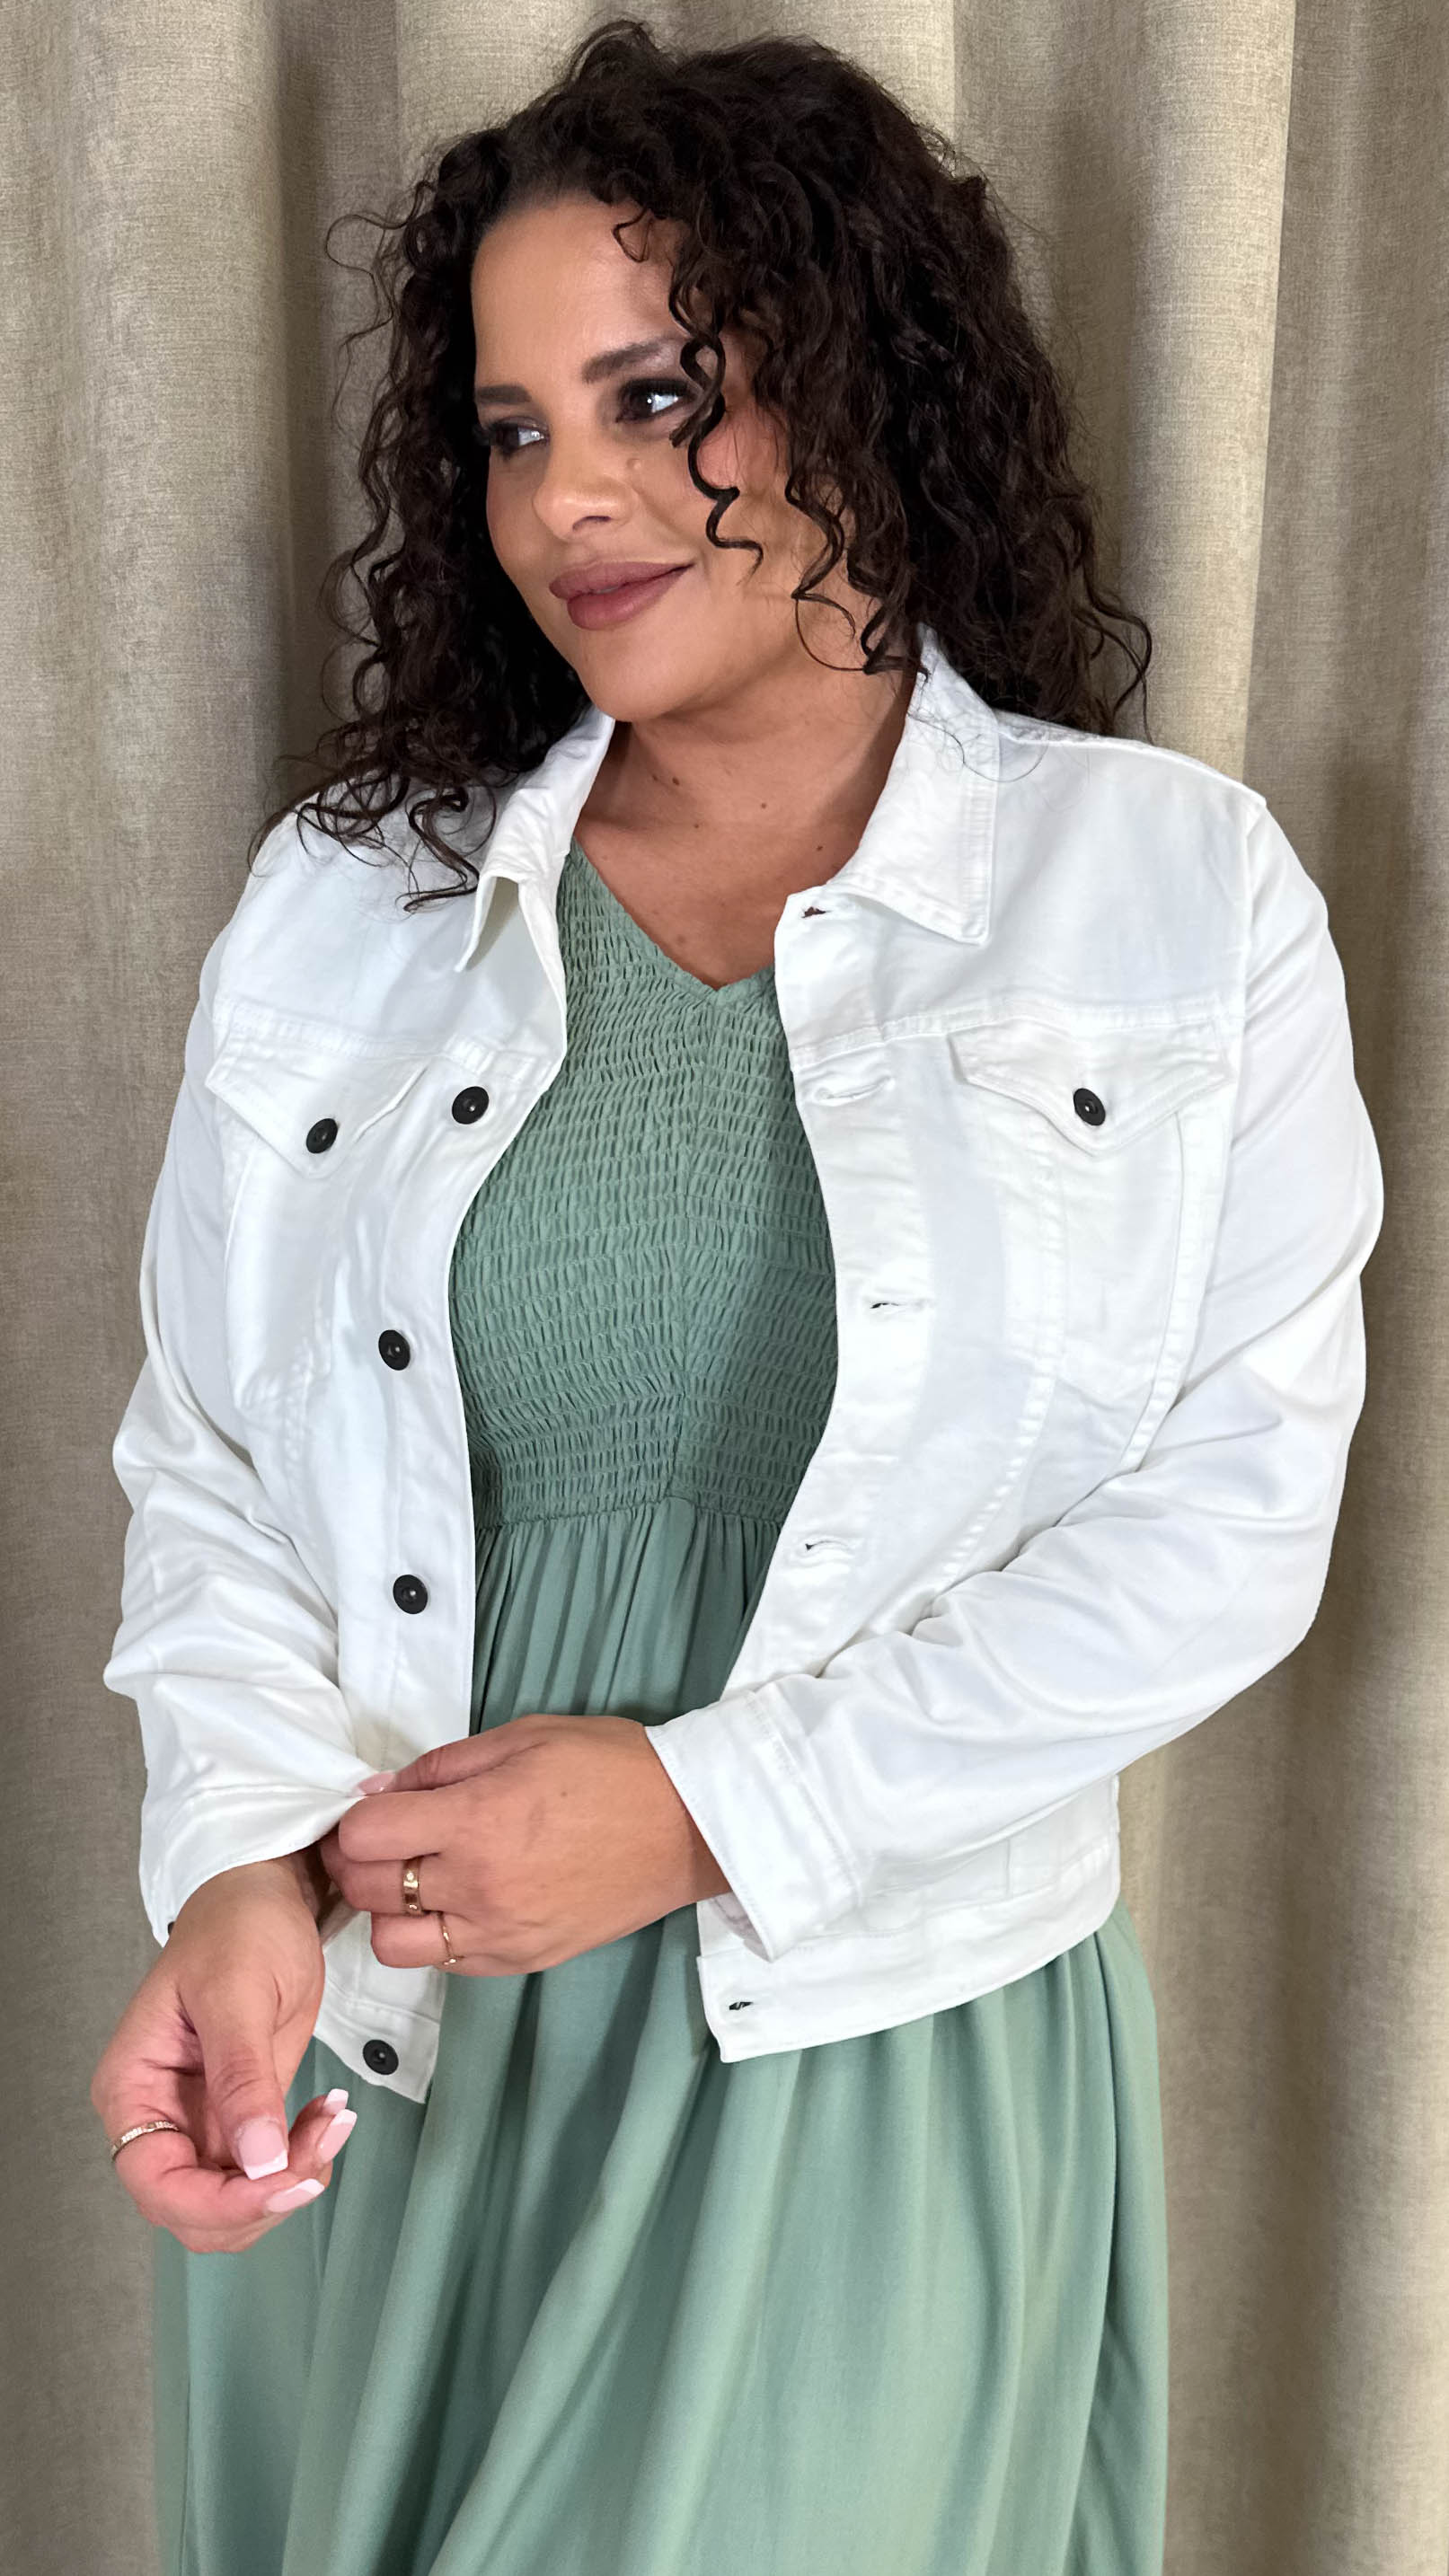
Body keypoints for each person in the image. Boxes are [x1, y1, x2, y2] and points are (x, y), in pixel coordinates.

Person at [88, 18, 1383, 2576]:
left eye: (655, 398)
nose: (566, 498)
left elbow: (1227, 1522)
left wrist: (700, 1810)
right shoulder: (349, 905)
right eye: (509, 429)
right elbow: (211, 1459)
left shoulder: (1170, 894)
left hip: (863, 2042)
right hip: (390, 2051)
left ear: (866, 380)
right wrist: (236, 1864)